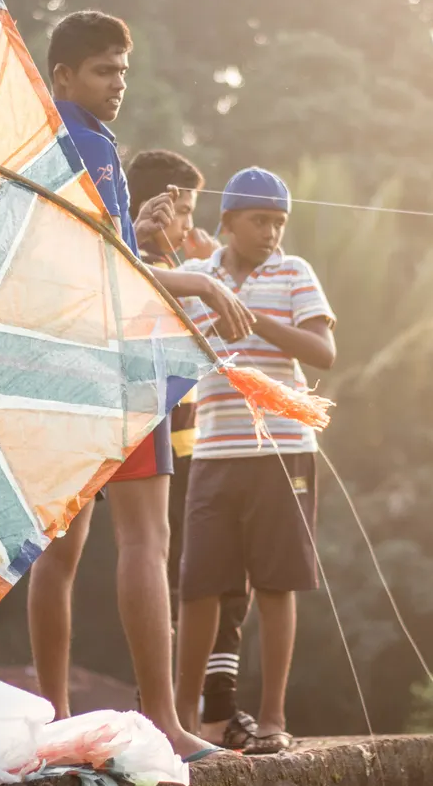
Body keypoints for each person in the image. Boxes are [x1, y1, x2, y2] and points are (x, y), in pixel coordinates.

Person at [26, 11, 254, 763]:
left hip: (58, 357)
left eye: (123, 70)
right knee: (145, 540)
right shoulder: (86, 142)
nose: (116, 84)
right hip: (115, 361)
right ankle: (163, 718)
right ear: (62, 75)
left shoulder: (42, 138)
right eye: (101, 71)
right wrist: (186, 273)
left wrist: (150, 245)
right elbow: (104, 268)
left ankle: (55, 715)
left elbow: (101, 254)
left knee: (59, 549)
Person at [174, 167, 336, 756]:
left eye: (279, 223)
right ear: (227, 223)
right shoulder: (196, 277)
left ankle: (272, 718)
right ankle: (183, 720)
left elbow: (323, 351)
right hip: (215, 452)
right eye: (259, 221)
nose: (270, 233)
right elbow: (173, 346)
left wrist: (251, 316)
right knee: (199, 587)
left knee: (275, 583)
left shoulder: (295, 273)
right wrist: (219, 305)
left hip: (283, 451)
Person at [126, 150, 258, 751]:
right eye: (182, 211)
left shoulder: (165, 260)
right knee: (171, 562)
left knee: (183, 567)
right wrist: (202, 272)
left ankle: (169, 708)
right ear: (157, 208)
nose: (188, 223)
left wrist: (194, 259)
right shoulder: (148, 264)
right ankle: (173, 712)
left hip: (172, 435)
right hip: (158, 434)